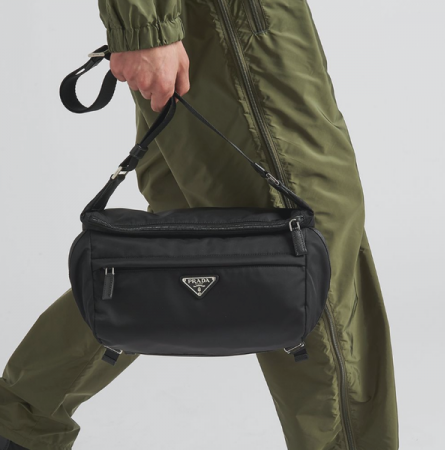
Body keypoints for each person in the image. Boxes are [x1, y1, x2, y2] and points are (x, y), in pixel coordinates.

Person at [0, 1, 399, 449]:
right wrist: (147, 30)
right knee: (311, 246)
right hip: (230, 24)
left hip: (226, 26)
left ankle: (19, 420)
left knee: (167, 254)